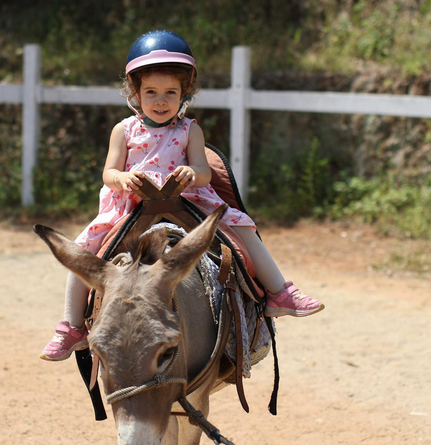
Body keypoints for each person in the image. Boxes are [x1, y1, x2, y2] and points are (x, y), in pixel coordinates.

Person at [41, 30, 324, 361]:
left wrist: (193, 173)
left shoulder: (190, 130)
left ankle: (279, 292)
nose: (161, 100)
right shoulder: (124, 130)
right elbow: (109, 172)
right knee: (82, 252)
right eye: (151, 92)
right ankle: (72, 325)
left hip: (185, 199)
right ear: (136, 93)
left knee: (242, 228)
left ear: (183, 94)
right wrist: (123, 177)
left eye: (170, 92)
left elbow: (203, 169)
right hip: (134, 203)